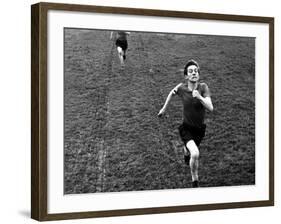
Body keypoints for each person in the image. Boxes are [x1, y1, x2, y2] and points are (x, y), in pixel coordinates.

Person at [158, 59, 213, 188]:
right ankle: (195, 180)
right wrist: (164, 109)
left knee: (190, 149)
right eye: (190, 71)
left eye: (196, 71)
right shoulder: (181, 88)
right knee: (195, 153)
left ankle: (185, 150)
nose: (194, 73)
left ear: (198, 74)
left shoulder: (203, 87)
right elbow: (171, 94)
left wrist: (199, 97)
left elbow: (211, 108)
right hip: (186, 128)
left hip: (199, 130)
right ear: (186, 76)